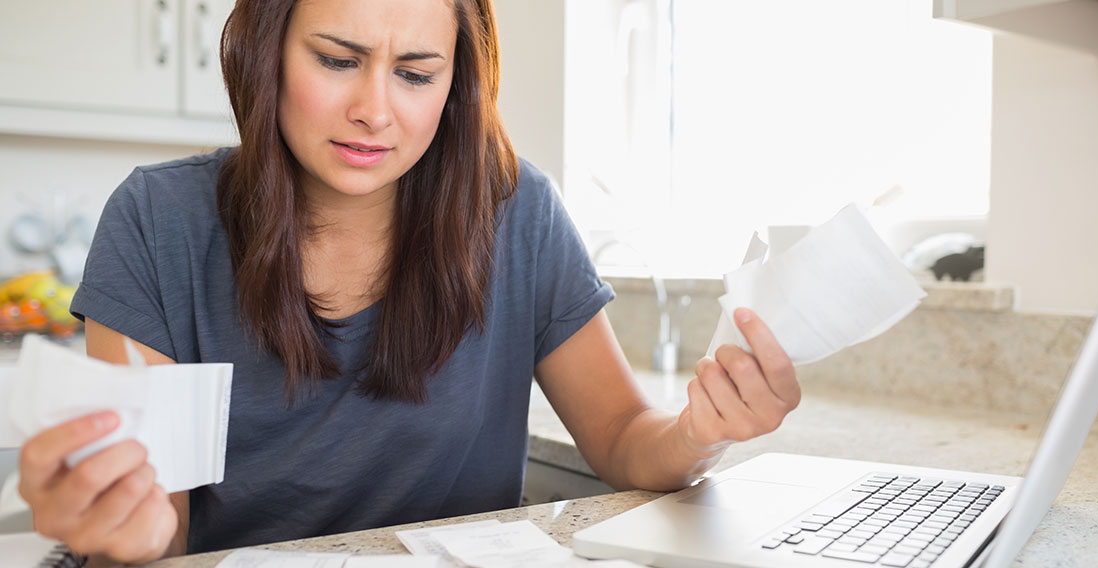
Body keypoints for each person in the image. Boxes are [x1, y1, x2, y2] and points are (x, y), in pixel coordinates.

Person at [16, 0, 801, 564]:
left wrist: (701, 432)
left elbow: (628, 442)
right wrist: (128, 534)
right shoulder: (159, 221)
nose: (375, 111)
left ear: (456, 80)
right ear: (266, 47)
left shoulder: (518, 212)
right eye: (336, 60)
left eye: (416, 74)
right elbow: (163, 534)